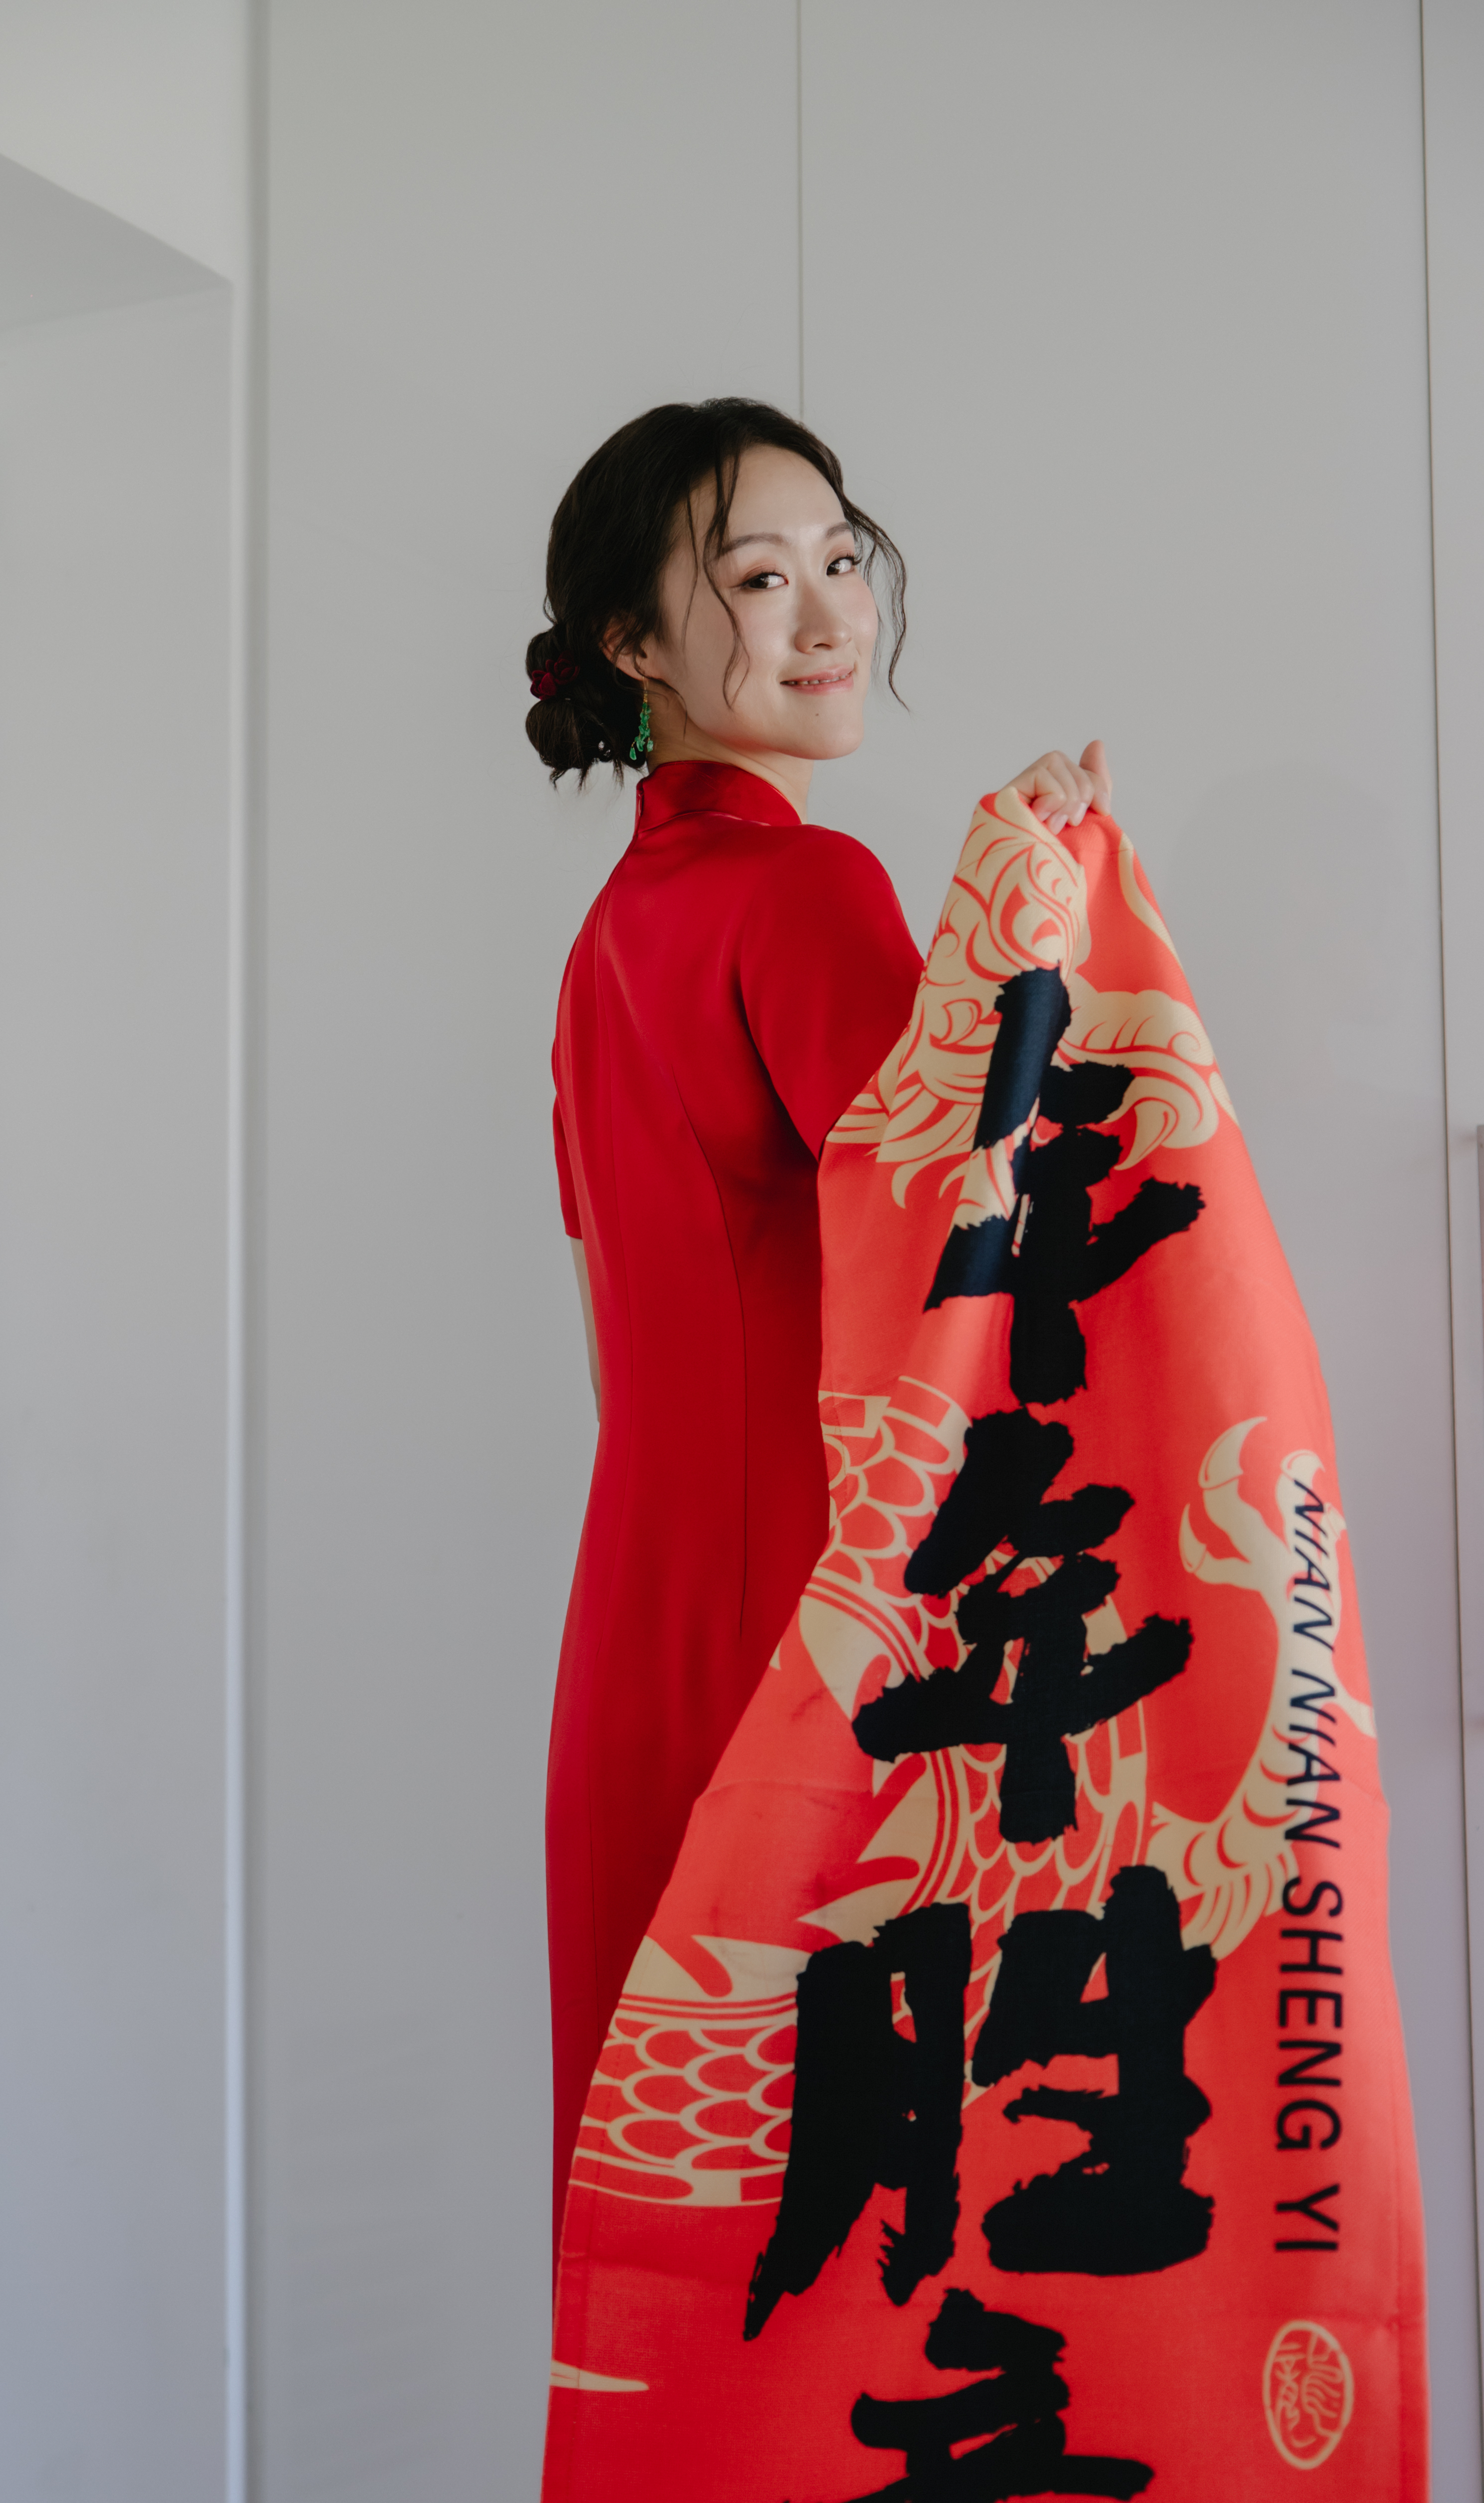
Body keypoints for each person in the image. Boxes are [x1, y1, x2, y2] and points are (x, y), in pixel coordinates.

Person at [527, 397, 1110, 2261]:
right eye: (756, 578)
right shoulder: (799, 885)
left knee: (681, 2246)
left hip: (638, 1636)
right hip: (808, 1635)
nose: (827, 612)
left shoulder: (613, 933)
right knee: (848, 2269)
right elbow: (970, 1227)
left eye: (839, 560)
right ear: (633, 641)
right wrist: (1039, 916)